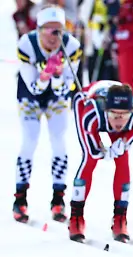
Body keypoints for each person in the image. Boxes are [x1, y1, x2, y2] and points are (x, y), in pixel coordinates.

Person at [14, 5, 82, 224]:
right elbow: (33, 87)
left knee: (59, 142)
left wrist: (57, 77)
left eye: (59, 30)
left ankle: (58, 199)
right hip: (31, 95)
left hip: (56, 97)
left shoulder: (71, 46)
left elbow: (66, 90)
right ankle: (20, 198)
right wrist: (46, 75)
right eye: (50, 31)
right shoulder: (27, 44)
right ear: (39, 29)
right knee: (30, 140)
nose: (55, 37)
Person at [70, 80, 133, 242]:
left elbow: (124, 144)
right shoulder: (91, 115)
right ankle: (76, 217)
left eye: (124, 115)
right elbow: (93, 150)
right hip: (85, 103)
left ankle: (120, 219)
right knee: (90, 158)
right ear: (106, 111)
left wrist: (121, 144)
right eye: (114, 115)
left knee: (122, 159)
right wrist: (102, 149)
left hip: (111, 111)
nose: (119, 121)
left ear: (131, 112)